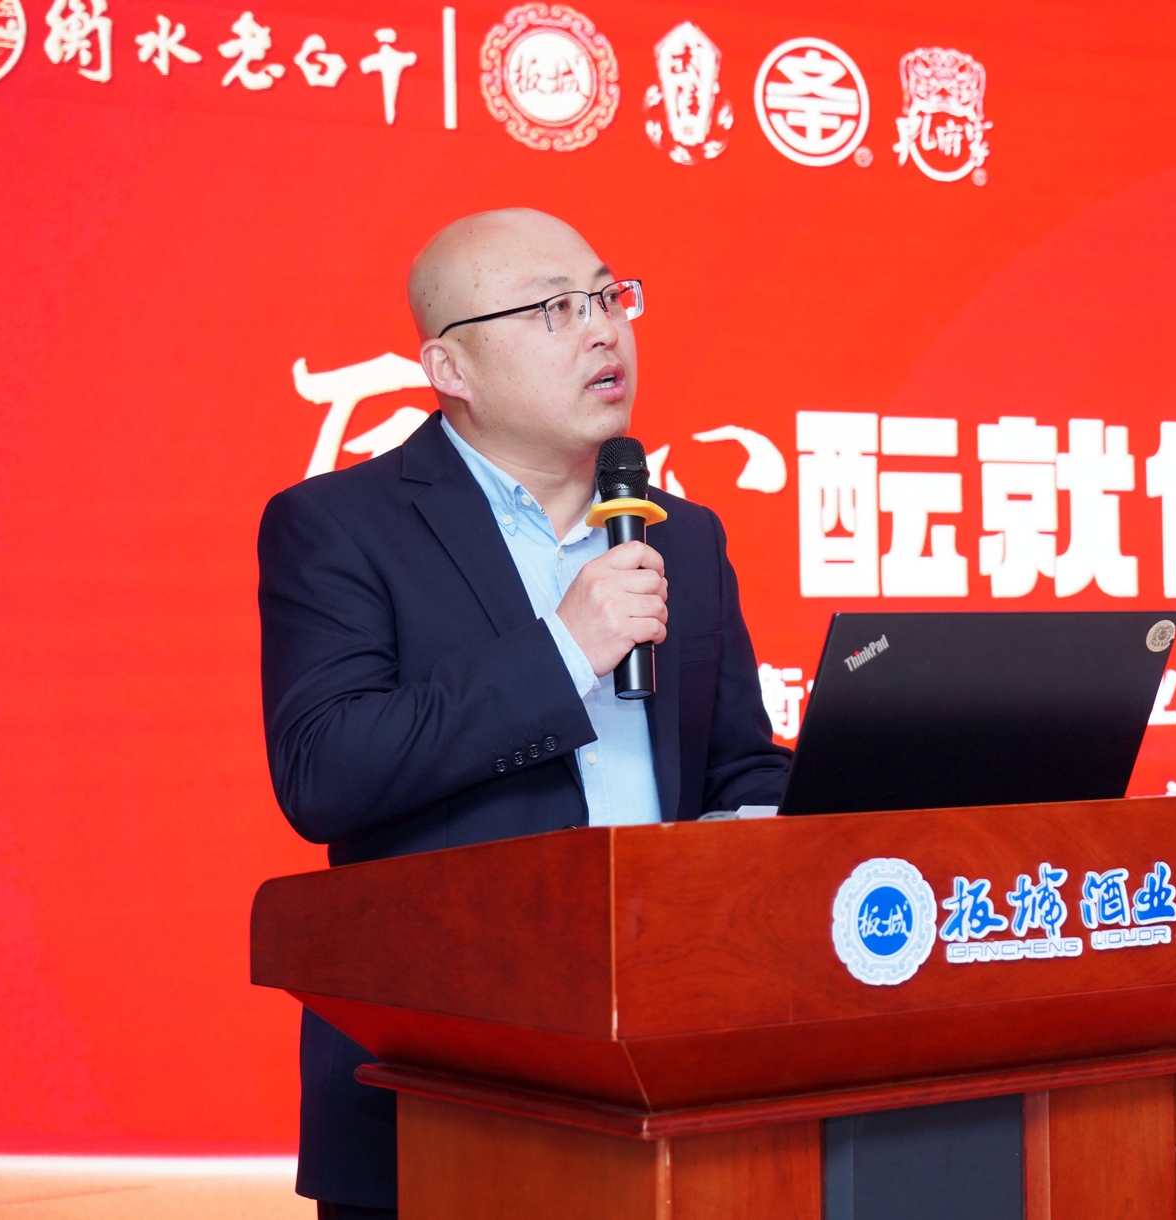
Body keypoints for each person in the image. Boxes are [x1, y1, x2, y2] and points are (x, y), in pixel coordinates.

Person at [256, 208, 791, 1218]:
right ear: (450, 367)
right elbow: (326, 768)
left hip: (666, 1071)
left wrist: (800, 813)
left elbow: (734, 767)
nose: (602, 329)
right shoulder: (337, 526)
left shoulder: (681, 534)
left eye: (607, 296)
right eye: (554, 310)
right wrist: (563, 650)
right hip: (440, 1081)